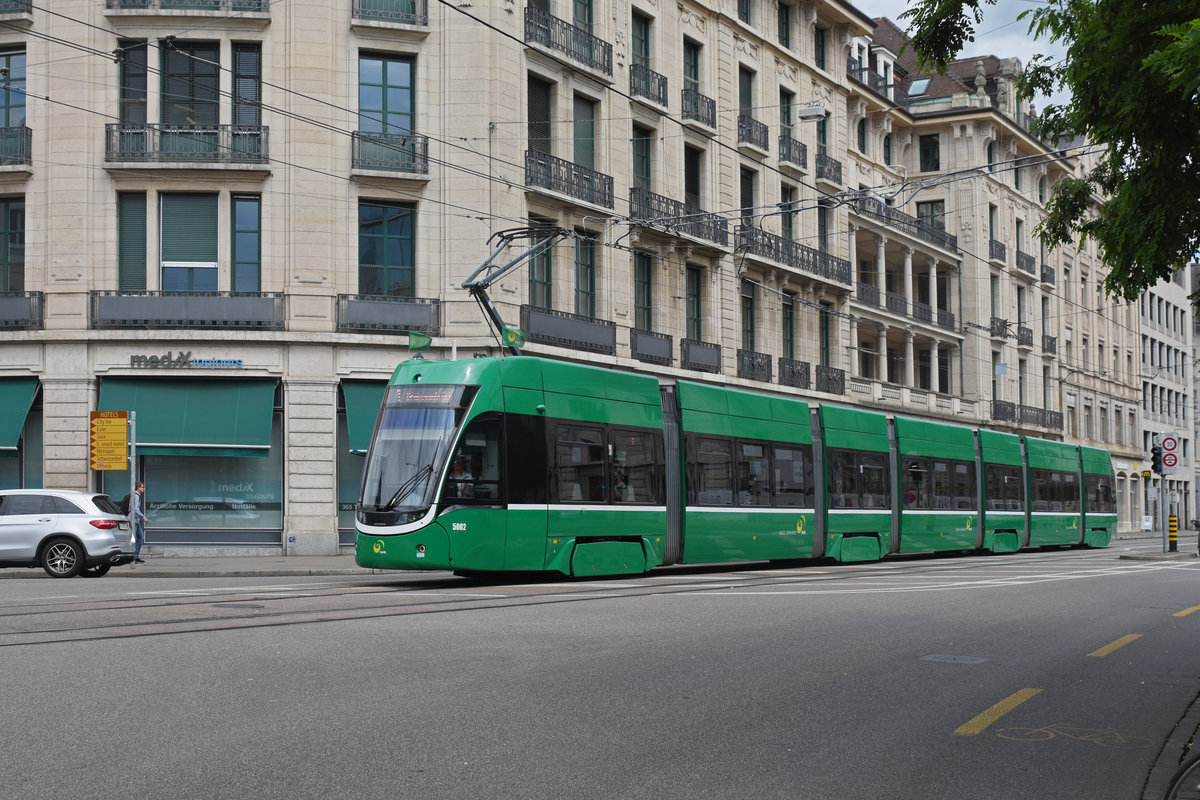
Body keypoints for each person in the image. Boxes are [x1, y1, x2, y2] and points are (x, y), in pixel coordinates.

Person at [131, 481, 147, 565]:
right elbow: (136, 509)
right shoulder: (136, 496)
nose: (144, 488)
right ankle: (132, 557)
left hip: (136, 521)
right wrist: (144, 518)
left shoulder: (136, 495)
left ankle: (136, 556)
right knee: (134, 539)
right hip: (133, 520)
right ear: (138, 488)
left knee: (140, 537)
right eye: (142, 487)